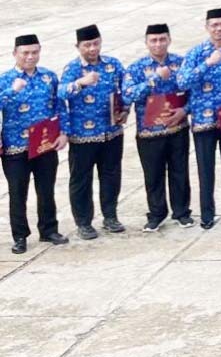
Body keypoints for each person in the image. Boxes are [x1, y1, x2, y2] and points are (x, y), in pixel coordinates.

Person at [177, 8, 221, 229]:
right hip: (203, 120)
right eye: (214, 25)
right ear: (207, 27)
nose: (219, 28)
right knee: (205, 168)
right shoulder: (197, 53)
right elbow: (182, 82)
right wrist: (207, 63)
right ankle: (207, 213)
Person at [1, 34, 70, 253]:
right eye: (25, 53)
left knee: (46, 189)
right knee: (18, 192)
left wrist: (63, 133)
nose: (30, 57)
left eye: (34, 52)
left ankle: (49, 229)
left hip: (44, 144)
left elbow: (60, 106)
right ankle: (20, 236)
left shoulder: (49, 77)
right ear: (15, 54)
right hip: (15, 146)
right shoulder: (5, 79)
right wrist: (13, 90)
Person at [122, 23, 193, 232]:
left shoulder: (181, 63)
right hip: (149, 132)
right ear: (146, 43)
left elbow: (194, 92)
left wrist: (185, 110)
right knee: (153, 174)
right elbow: (128, 95)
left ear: (169, 40)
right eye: (153, 40)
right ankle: (156, 213)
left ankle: (182, 212)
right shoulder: (136, 68)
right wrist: (154, 79)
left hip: (176, 128)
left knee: (180, 171)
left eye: (162, 39)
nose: (158, 44)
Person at [58, 24, 126, 239]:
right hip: (82, 136)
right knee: (81, 180)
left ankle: (110, 216)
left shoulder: (112, 65)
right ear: (78, 46)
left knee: (111, 175)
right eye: (87, 45)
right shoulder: (72, 69)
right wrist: (80, 83)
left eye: (95, 44)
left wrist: (125, 110)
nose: (92, 49)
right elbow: (61, 93)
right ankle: (84, 222)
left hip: (111, 132)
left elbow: (126, 90)